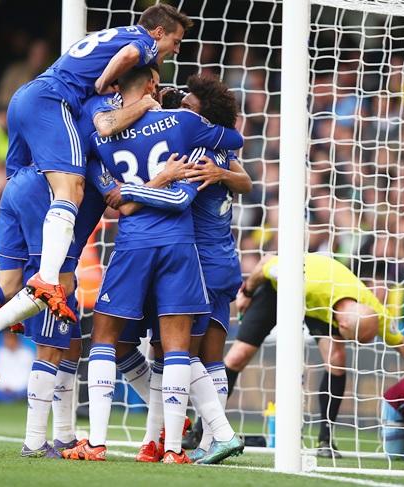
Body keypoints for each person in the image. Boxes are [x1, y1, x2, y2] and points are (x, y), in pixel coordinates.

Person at [61, 65, 244, 464]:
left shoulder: (99, 138)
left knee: (119, 341)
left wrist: (134, 190)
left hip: (150, 247)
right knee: (170, 347)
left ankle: (118, 440)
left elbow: (117, 195)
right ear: (149, 87)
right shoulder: (182, 125)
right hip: (184, 247)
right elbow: (235, 138)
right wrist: (163, 179)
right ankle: (172, 443)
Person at [0, 87, 158, 370]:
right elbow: (120, 202)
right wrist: (161, 179)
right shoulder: (104, 120)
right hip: (47, 198)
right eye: (152, 84)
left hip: (20, 183)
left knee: (7, 286)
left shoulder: (56, 104)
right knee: (58, 283)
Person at [5, 4, 192, 323]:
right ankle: (45, 280)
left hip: (27, 99)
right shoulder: (142, 42)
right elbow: (127, 61)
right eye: (175, 41)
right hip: (50, 100)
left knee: (16, 194)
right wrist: (104, 83)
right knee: (71, 190)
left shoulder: (113, 35)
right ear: (159, 32)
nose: (175, 49)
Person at [112, 75, 252, 465]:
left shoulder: (194, 155)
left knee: (174, 352)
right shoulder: (218, 152)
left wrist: (129, 193)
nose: (181, 114)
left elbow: (175, 199)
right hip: (225, 262)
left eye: (189, 109)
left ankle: (208, 435)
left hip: (199, 263)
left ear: (203, 119)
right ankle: (200, 440)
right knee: (207, 358)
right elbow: (246, 181)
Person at [225, 252, 404, 458]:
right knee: (237, 356)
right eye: (353, 339)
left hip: (319, 307)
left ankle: (325, 439)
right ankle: (204, 430)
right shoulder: (308, 281)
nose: (352, 344)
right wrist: (247, 292)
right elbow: (266, 261)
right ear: (343, 325)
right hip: (282, 289)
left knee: (336, 359)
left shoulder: (373, 310)